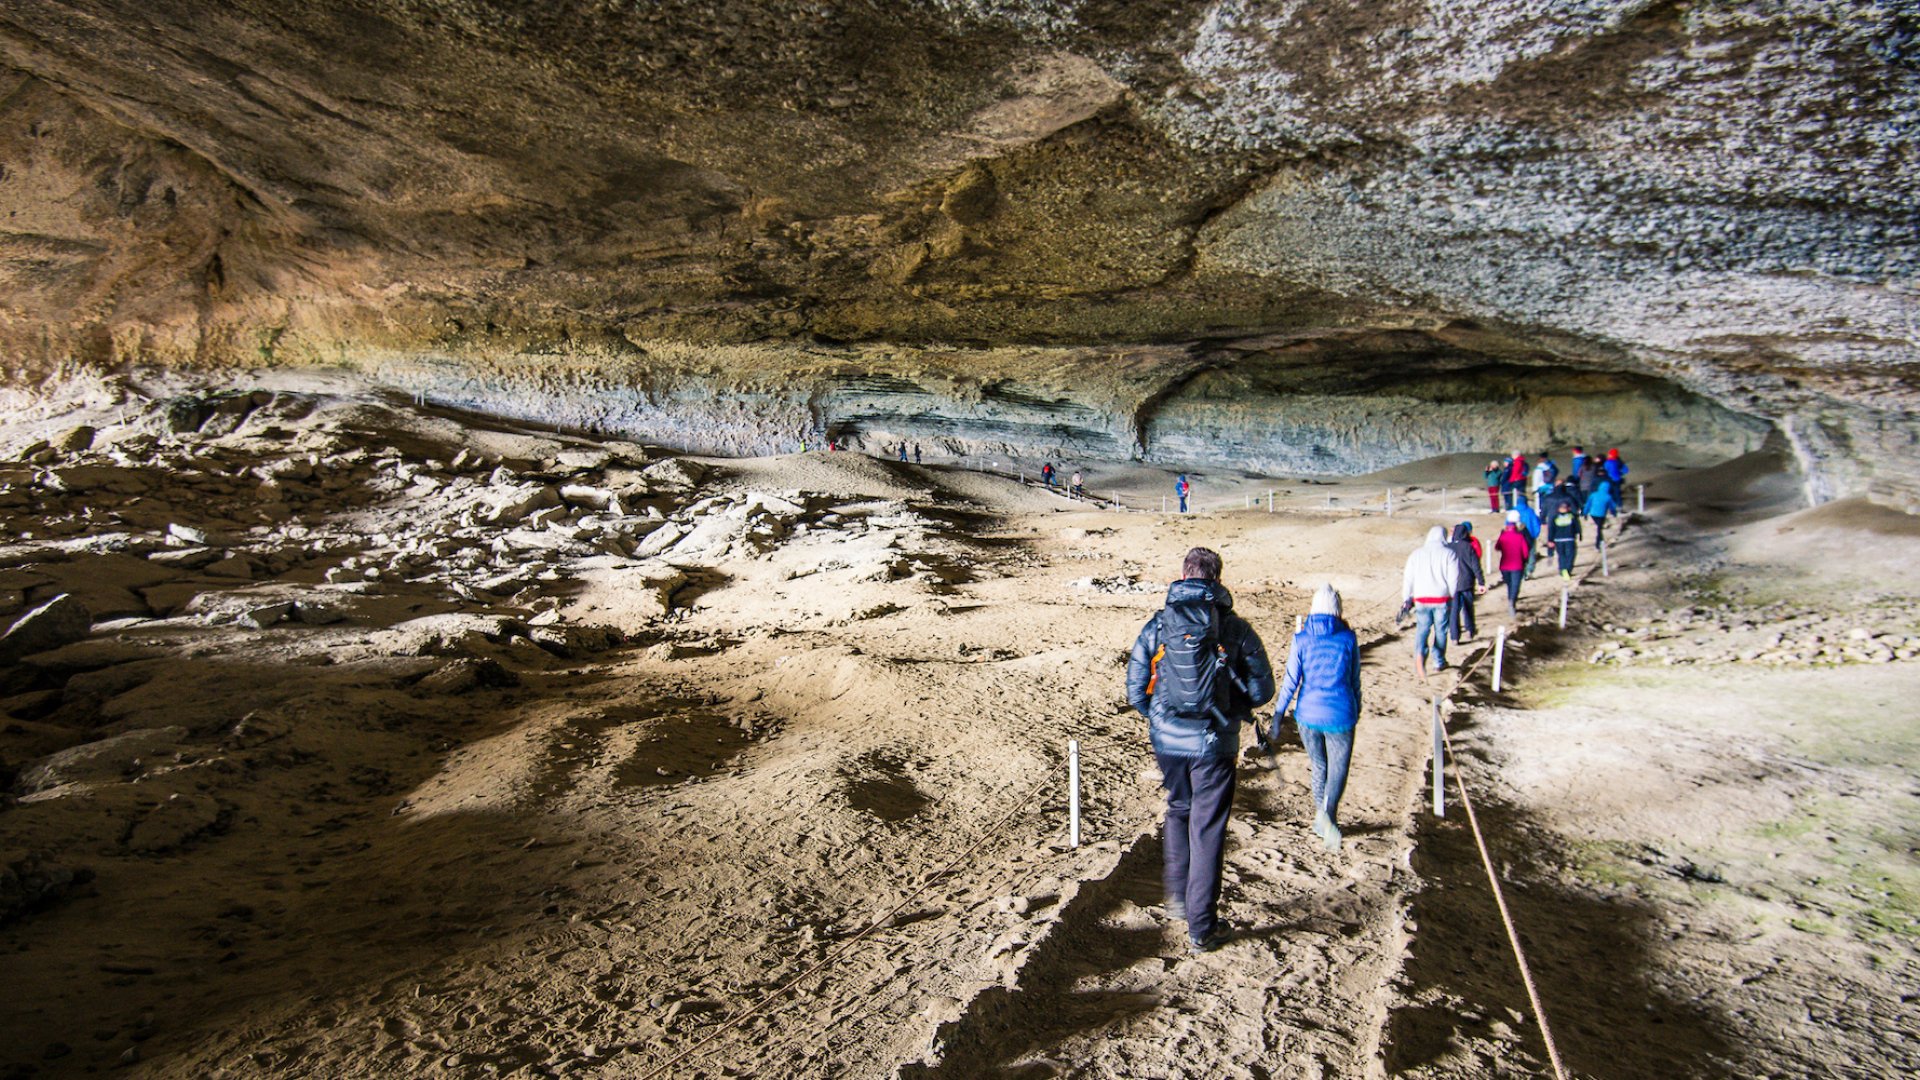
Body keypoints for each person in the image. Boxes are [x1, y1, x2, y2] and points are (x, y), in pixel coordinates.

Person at [1125, 547, 1275, 952]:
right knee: (1207, 830)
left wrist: (1159, 719)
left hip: (1168, 741)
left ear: (1184, 576)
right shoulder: (1237, 629)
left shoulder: (1159, 625)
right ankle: (1202, 927)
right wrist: (1232, 704)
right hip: (1214, 742)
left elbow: (1135, 686)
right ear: (1218, 581)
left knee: (1178, 807)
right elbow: (1263, 690)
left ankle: (1177, 900)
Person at [1270, 584, 1359, 853]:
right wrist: (1358, 708)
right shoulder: (1348, 639)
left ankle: (1321, 818)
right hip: (1341, 714)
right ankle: (1327, 815)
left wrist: (1278, 713)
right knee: (1338, 770)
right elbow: (1355, 681)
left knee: (1319, 765)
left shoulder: (1301, 639)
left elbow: (1290, 681)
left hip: (1307, 714)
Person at [1402, 525, 1465, 678]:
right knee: (1441, 630)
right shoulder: (1449, 553)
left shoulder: (1416, 554)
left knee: (1422, 629)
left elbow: (1408, 578)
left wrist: (1406, 597)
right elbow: (1453, 578)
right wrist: (1450, 593)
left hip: (1421, 597)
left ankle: (1420, 655)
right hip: (1441, 597)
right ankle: (1438, 660)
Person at [1446, 521, 1485, 644]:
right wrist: (1481, 582)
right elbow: (1476, 566)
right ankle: (1469, 629)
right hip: (1467, 582)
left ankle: (1454, 636)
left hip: (1452, 584)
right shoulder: (1468, 547)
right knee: (1468, 608)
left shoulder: (1448, 547)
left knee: (1454, 611)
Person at [1494, 511, 1530, 615]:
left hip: (1504, 565)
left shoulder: (1503, 536)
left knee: (1509, 584)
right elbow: (1525, 552)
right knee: (1515, 585)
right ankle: (1512, 601)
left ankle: (1511, 601)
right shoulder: (1520, 537)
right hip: (1517, 565)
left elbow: (1497, 547)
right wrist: (1525, 561)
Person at [1547, 494, 1582, 579]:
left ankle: (1562, 569)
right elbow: (1577, 526)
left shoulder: (1555, 517)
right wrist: (1580, 534)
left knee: (1561, 555)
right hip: (1570, 539)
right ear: (1568, 508)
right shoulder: (1572, 516)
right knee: (1570, 555)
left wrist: (1550, 540)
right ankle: (1567, 569)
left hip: (1558, 540)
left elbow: (1551, 529)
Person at [1514, 497, 1543, 579]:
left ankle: (1522, 573)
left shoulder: (1513, 512)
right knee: (1531, 554)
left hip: (1516, 537)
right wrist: (1535, 534)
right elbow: (1536, 523)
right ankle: (1529, 571)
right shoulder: (1530, 511)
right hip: (1530, 536)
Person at [1585, 480, 1616, 549]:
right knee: (1599, 529)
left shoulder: (1593, 494)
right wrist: (1614, 513)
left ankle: (1600, 541)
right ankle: (1599, 543)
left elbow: (1588, 504)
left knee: (1599, 528)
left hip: (1593, 514)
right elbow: (1612, 507)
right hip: (1601, 515)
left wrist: (1585, 512)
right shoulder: (1608, 497)